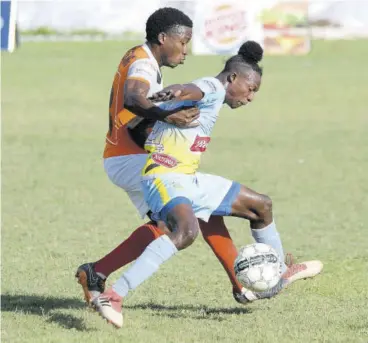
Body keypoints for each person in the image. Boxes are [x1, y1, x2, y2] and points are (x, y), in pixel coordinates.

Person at [91, 41, 323, 328]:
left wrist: (165, 103)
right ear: (233, 78)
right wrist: (174, 92)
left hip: (190, 179)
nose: (250, 98)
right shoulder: (213, 88)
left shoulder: (209, 94)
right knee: (186, 232)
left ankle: (277, 272)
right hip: (164, 177)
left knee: (261, 206)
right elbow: (194, 89)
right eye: (251, 89)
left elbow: (167, 107)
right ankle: (113, 295)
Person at [76, 8, 267, 307]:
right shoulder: (142, 61)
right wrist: (170, 116)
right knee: (186, 217)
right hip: (132, 156)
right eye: (184, 41)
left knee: (191, 215)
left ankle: (96, 272)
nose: (186, 50)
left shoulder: (140, 57)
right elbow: (133, 99)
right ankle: (240, 283)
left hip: (127, 154)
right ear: (163, 38)